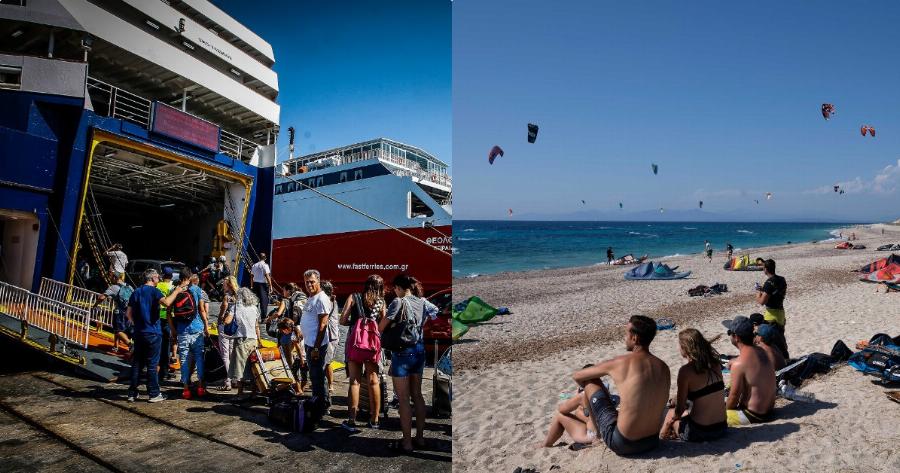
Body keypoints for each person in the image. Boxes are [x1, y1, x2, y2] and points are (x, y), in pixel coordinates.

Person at [541, 315, 669, 456]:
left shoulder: (621, 362)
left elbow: (578, 375)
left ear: (635, 338)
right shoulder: (663, 367)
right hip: (652, 441)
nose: (624, 337)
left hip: (623, 444)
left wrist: (588, 394)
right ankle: (591, 422)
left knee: (590, 380)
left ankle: (596, 433)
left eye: (626, 333)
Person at [378, 274, 438, 453]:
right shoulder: (422, 301)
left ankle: (407, 442)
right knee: (418, 395)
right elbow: (434, 314)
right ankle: (420, 437)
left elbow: (382, 326)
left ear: (398, 287)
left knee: (403, 399)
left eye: (395, 288)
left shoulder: (398, 302)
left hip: (402, 353)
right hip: (419, 351)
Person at [126, 268, 185, 402]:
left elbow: (128, 314)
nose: (159, 279)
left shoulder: (136, 292)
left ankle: (132, 393)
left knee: (137, 363)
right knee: (152, 364)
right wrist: (176, 291)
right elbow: (167, 302)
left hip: (139, 332)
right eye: (157, 277)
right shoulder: (154, 291)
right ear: (152, 278)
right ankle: (153, 393)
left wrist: (138, 324)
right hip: (152, 332)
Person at [660, 329, 727, 442]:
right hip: (721, 428)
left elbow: (679, 410)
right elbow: (703, 392)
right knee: (686, 411)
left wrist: (669, 423)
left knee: (670, 412)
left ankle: (662, 437)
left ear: (685, 348)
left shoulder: (685, 371)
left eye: (679, 345)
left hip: (700, 432)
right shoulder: (715, 364)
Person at [340, 274, 387, 431]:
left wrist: (354, 323)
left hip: (355, 343)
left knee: (355, 381)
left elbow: (342, 320)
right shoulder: (381, 302)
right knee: (374, 380)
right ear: (380, 288)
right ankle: (374, 420)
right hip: (372, 345)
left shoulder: (354, 297)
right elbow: (384, 323)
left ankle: (351, 420)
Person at [724, 316, 776, 426]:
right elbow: (749, 365)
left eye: (729, 333)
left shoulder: (739, 364)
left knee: (711, 416)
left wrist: (725, 410)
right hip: (769, 411)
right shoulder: (762, 351)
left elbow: (733, 398)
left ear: (736, 337)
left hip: (753, 415)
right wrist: (735, 361)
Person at [168, 267, 210, 400]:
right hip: (197, 328)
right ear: (190, 276)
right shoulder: (197, 290)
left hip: (182, 330)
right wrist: (206, 326)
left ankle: (186, 389)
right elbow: (202, 310)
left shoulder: (175, 290)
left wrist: (173, 329)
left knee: (184, 359)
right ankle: (201, 387)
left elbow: (169, 313)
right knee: (199, 358)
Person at [300, 269, 334, 411]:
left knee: (318, 376)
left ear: (318, 281)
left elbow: (323, 325)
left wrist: (315, 347)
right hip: (309, 343)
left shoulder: (321, 299)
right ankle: (320, 401)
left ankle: (321, 405)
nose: (309, 284)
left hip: (316, 345)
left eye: (312, 282)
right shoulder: (311, 297)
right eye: (307, 282)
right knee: (315, 375)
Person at [223, 287, 261, 397]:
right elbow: (256, 326)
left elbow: (227, 321)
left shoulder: (236, 307)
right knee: (254, 367)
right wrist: (259, 340)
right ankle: (254, 391)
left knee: (240, 368)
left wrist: (225, 315)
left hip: (241, 340)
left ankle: (240, 392)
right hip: (253, 340)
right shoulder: (254, 308)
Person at [95, 271, 133, 354]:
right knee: (124, 330)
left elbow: (102, 297)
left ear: (115, 278)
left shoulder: (114, 287)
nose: (110, 278)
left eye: (111, 277)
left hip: (119, 311)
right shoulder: (129, 286)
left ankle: (130, 345)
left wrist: (96, 304)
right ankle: (116, 346)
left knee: (117, 330)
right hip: (129, 311)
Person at [756, 259, 787, 350]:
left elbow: (762, 302)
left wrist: (758, 293)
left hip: (771, 315)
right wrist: (764, 290)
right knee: (780, 338)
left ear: (765, 269)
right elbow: (776, 292)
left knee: (771, 342)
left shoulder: (768, 283)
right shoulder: (782, 279)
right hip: (781, 312)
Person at [216, 276, 239, 391]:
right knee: (231, 352)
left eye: (224, 284)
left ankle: (228, 381)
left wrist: (219, 318)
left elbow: (223, 308)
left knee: (225, 355)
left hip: (225, 325)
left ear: (229, 285)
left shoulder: (227, 296)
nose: (223, 285)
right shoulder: (238, 296)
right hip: (235, 326)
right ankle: (234, 379)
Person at [156, 268, 176, 381]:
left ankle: (157, 368)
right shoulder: (172, 287)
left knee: (158, 344)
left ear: (163, 275)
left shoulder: (158, 285)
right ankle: (164, 370)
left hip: (158, 317)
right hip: (168, 318)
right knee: (166, 345)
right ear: (172, 276)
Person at [321, 280, 340, 395]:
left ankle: (330, 385)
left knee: (326, 362)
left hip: (329, 335)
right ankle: (328, 384)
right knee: (326, 361)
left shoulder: (327, 301)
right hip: (332, 334)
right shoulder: (331, 300)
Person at [251, 253, 273, 322]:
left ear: (259, 258)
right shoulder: (265, 265)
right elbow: (267, 275)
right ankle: (263, 318)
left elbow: (251, 276)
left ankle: (254, 317)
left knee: (255, 301)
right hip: (263, 285)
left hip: (255, 284)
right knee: (264, 302)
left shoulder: (254, 265)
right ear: (265, 258)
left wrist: (251, 285)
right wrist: (271, 286)